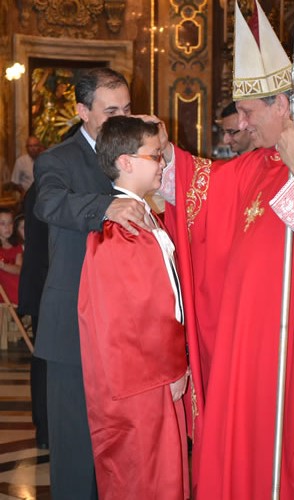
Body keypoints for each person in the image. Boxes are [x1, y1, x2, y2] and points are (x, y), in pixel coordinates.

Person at [159, 1, 294, 498]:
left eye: (248, 112)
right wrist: (156, 151)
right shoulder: (258, 163)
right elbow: (203, 187)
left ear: (281, 104)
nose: (240, 124)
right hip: (247, 335)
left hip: (288, 341)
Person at [33, 67, 151, 500]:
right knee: (75, 450)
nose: (124, 117)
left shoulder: (134, 152)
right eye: (111, 110)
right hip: (72, 329)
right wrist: (108, 207)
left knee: (122, 446)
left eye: (128, 108)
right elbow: (49, 202)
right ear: (83, 112)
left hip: (125, 329)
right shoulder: (57, 160)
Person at [78, 116, 190, 499]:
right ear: (126, 162)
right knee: (145, 479)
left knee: (160, 475)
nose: (162, 162)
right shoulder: (121, 230)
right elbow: (141, 313)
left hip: (149, 377)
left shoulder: (141, 217)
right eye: (155, 155)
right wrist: (175, 366)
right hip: (141, 382)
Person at [18, 182, 49, 449]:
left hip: (43, 284)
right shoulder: (50, 183)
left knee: (43, 359)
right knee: (45, 360)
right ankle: (46, 429)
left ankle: (46, 429)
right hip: (46, 285)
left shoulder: (42, 182)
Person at [0, 207, 23, 304]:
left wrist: (3, 266)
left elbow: (19, 269)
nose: (7, 227)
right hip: (3, 301)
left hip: (16, 298)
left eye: (10, 223)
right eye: (2, 224)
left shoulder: (16, 246)